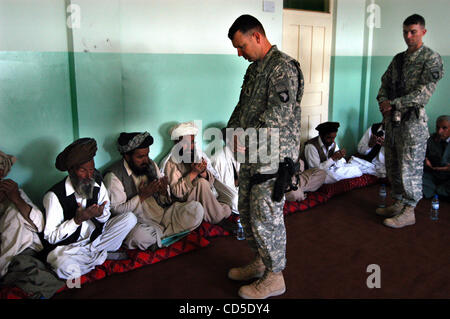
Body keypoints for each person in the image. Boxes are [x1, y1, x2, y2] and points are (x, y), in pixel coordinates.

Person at [225, 14, 304, 299]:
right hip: (252, 155)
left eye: (242, 46)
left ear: (257, 36)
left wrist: (246, 137)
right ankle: (260, 261)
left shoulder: (283, 68)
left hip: (272, 157)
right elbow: (242, 105)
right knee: (247, 211)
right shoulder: (255, 69)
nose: (239, 53)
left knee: (266, 216)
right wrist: (231, 133)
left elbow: (278, 116)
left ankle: (275, 276)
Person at [376, 14, 444, 228]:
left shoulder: (431, 59)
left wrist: (393, 103)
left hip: (413, 125)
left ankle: (409, 210)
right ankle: (398, 203)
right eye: (405, 31)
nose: (408, 36)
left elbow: (423, 94)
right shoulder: (398, 59)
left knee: (409, 168)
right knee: (393, 165)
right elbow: (384, 83)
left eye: (413, 31)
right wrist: (383, 101)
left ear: (423, 32)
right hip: (393, 123)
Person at [42, 138, 137, 279]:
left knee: (130, 218)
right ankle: (101, 256)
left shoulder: (96, 183)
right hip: (69, 248)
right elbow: (50, 237)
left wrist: (99, 214)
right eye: (83, 170)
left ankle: (92, 256)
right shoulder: (54, 196)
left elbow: (105, 217)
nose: (89, 176)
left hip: (95, 239)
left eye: (91, 169)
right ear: (71, 171)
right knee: (64, 266)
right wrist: (77, 220)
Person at [103, 132, 204, 250]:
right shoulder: (114, 176)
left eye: (147, 155)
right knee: (138, 236)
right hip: (142, 223)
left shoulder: (150, 165)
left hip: (163, 215)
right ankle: (168, 236)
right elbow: (116, 212)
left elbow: (165, 201)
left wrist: (163, 192)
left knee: (197, 209)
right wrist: (142, 196)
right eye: (140, 157)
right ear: (127, 156)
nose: (145, 160)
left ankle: (160, 238)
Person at [160, 121, 234, 231]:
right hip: (184, 202)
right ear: (177, 143)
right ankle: (218, 219)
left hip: (201, 196)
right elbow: (176, 192)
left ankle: (214, 213)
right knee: (202, 184)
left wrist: (203, 172)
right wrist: (193, 173)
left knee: (228, 205)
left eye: (193, 142)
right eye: (186, 143)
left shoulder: (196, 156)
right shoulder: (171, 163)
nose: (191, 146)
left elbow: (211, 182)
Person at [0, 150, 44, 278]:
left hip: (22, 250)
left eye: (1, 168)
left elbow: (40, 225)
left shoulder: (14, 192)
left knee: (15, 213)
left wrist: (16, 198)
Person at [210, 128, 245, 214]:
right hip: (223, 194)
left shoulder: (242, 154)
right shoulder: (218, 159)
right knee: (235, 199)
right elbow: (221, 187)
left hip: (237, 189)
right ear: (230, 141)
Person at [422, 115, 450, 199]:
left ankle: (436, 192)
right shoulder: (430, 139)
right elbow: (420, 156)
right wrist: (425, 160)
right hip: (432, 175)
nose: (439, 131)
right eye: (437, 127)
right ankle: (437, 193)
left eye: (444, 128)